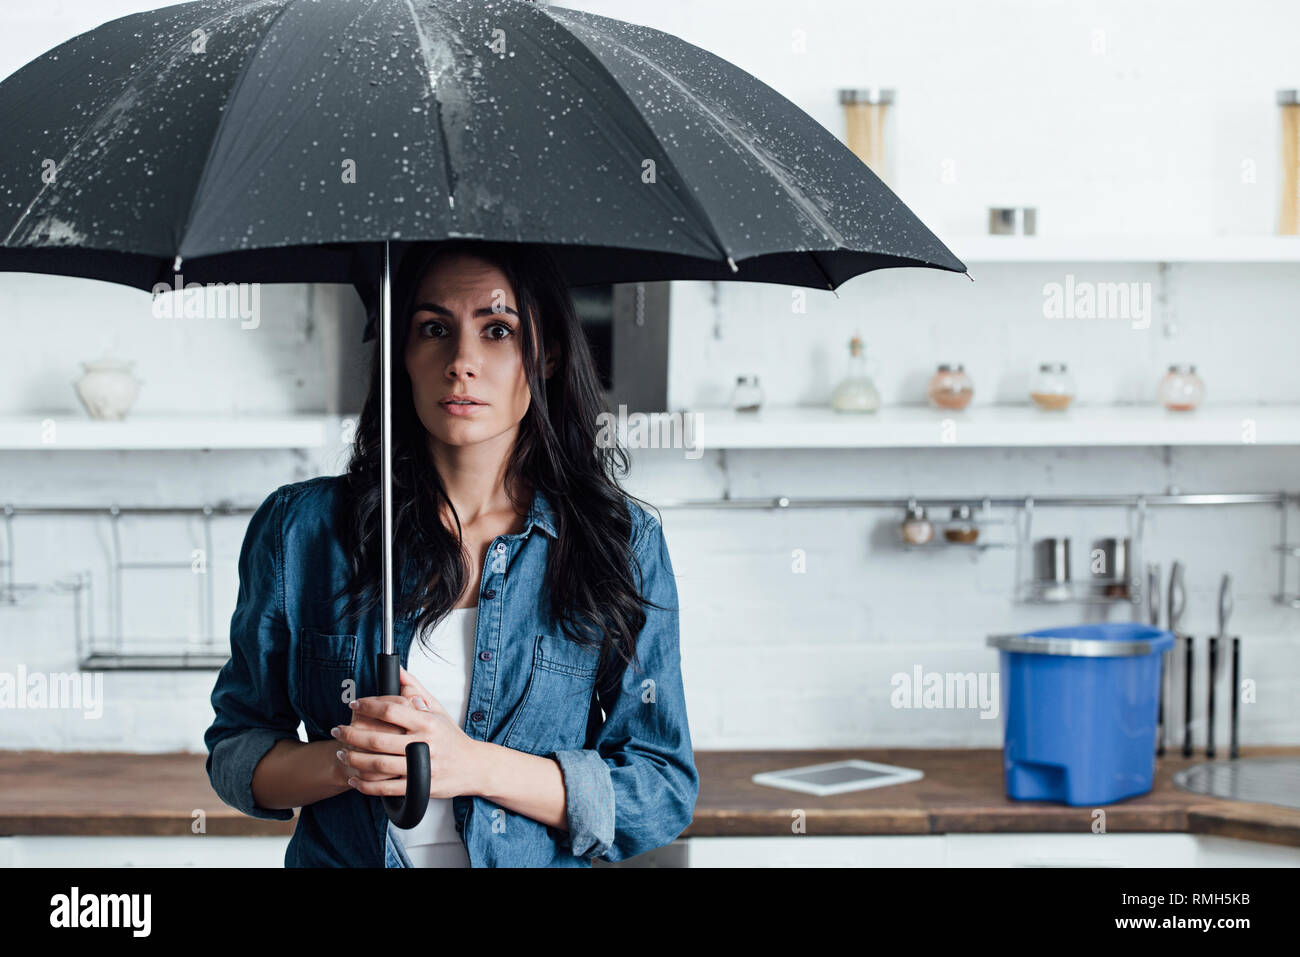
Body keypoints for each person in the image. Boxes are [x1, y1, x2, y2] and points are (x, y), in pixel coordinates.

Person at [203, 239, 697, 867]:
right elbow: (237, 752)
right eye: (433, 328)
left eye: (497, 330)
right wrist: (349, 761)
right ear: (400, 354)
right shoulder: (300, 530)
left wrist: (471, 765)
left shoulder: (620, 541)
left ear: (545, 357)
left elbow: (659, 790)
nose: (462, 361)